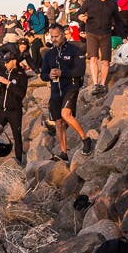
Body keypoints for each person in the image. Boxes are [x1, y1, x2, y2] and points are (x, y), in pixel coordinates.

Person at [41, 23, 93, 161]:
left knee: (66, 114)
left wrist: (62, 72)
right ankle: (64, 153)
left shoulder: (75, 50)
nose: (54, 39)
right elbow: (43, 75)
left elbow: (80, 71)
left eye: (56, 36)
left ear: (64, 34)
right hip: (55, 90)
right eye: (51, 37)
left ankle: (86, 139)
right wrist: (49, 75)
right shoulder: (49, 54)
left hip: (71, 86)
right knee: (58, 122)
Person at [78, 0, 122, 95]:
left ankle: (102, 84)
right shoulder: (90, 0)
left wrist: (124, 37)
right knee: (93, 58)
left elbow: (118, 20)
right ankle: (95, 84)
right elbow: (79, 13)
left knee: (106, 61)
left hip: (106, 34)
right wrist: (81, 17)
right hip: (92, 32)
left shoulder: (112, 3)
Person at [0, 50, 29, 164]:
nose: (5, 64)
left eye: (7, 62)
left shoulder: (21, 75)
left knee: (16, 136)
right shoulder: (3, 72)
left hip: (14, 111)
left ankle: (18, 161)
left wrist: (8, 83)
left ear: (14, 61)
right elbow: (1, 93)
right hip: (1, 110)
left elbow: (21, 93)